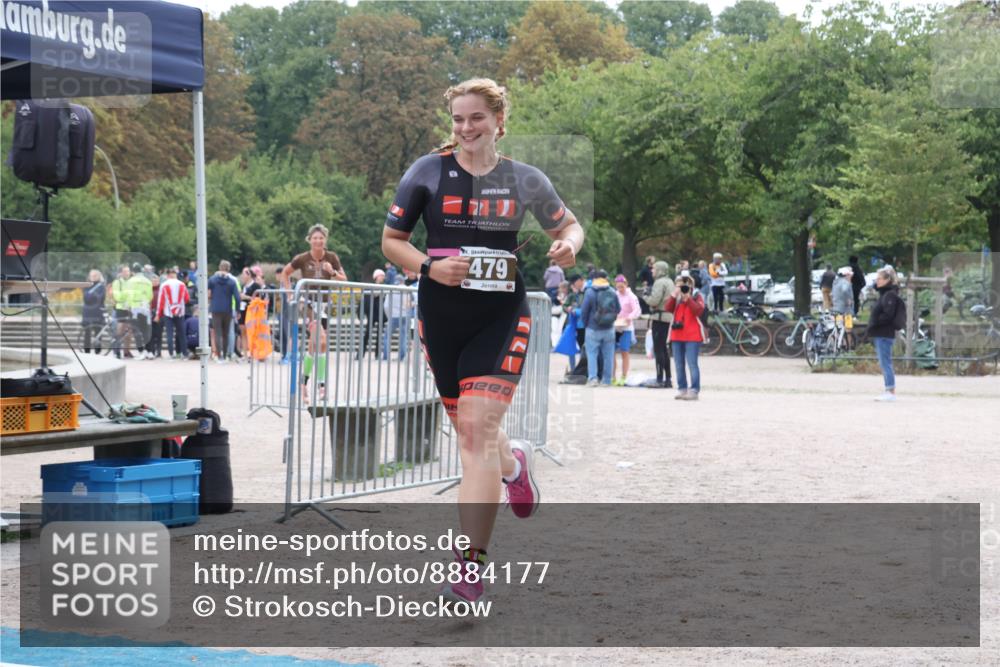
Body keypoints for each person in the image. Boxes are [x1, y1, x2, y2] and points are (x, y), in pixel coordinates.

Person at [381, 77, 584, 606]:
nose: (466, 129)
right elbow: (391, 243)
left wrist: (566, 245)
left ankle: (470, 569)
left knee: (473, 433)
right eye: (457, 120)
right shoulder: (426, 173)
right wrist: (431, 265)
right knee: (478, 435)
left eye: (476, 118)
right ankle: (514, 465)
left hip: (501, 318)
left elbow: (571, 226)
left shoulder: (525, 179)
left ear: (497, 120)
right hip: (442, 320)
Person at [280, 224, 348, 400]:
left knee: (317, 345)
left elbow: (344, 279)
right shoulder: (302, 258)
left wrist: (331, 272)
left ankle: (304, 382)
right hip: (310, 305)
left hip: (325, 306)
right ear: (309, 240)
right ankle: (321, 385)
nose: (318, 241)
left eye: (321, 238)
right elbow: (285, 274)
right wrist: (290, 295)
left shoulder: (332, 257)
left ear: (325, 240)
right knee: (321, 340)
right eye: (315, 238)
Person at [664, 271, 706, 400]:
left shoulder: (696, 296)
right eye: (679, 285)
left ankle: (694, 390)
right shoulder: (676, 299)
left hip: (692, 335)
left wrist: (688, 299)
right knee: (678, 364)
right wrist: (673, 295)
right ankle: (682, 388)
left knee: (692, 363)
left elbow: (699, 310)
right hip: (677, 335)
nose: (682, 288)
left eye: (685, 285)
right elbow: (667, 308)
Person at [866, 266, 904, 402]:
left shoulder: (890, 295)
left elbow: (888, 315)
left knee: (885, 362)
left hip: (884, 333)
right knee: (884, 362)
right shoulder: (884, 294)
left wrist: (876, 322)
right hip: (880, 333)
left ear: (887, 279)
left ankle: (890, 390)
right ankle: (889, 389)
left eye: (879, 279)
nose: (877, 281)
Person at [580, 270, 620, 387]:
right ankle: (607, 380)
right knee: (608, 355)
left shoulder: (590, 292)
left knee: (592, 354)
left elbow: (584, 311)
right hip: (609, 328)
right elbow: (618, 309)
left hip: (593, 328)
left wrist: (586, 324)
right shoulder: (612, 291)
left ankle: (593, 379)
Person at [641, 261, 675, 388]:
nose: (652, 271)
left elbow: (654, 301)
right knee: (665, 350)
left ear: (660, 270)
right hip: (668, 318)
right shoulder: (670, 281)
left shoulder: (659, 283)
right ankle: (668, 379)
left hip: (659, 318)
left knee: (658, 349)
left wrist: (645, 296)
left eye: (654, 269)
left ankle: (659, 379)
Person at [208, 260, 239, 363]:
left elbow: (208, 294)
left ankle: (218, 355)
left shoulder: (212, 280)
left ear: (219, 267)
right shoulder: (232, 281)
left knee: (217, 332)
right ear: (228, 269)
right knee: (226, 333)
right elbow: (237, 297)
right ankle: (225, 356)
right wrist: (238, 311)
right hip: (227, 309)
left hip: (216, 309)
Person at [156, 267, 190, 359]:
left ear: (167, 275)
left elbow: (161, 301)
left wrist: (158, 314)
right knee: (182, 334)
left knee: (169, 334)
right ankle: (184, 353)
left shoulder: (164, 285)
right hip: (180, 312)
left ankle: (171, 354)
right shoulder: (182, 284)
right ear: (175, 274)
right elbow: (187, 299)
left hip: (168, 312)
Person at [612, 274, 640, 386]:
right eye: (618, 287)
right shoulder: (615, 295)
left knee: (624, 352)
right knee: (611, 352)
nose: (620, 289)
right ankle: (613, 376)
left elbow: (637, 310)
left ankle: (624, 376)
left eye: (622, 287)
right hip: (615, 326)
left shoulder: (631, 296)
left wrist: (629, 317)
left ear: (626, 285)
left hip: (626, 327)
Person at [128, 263, 153, 359]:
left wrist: (129, 306)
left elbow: (130, 295)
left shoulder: (131, 281)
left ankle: (141, 351)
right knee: (146, 330)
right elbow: (150, 296)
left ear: (133, 271)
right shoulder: (147, 281)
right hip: (145, 308)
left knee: (137, 331)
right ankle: (149, 351)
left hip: (135, 308)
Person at [360, 269, 387, 358]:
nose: (383, 277)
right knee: (367, 334)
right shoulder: (371, 286)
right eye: (381, 275)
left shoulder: (384, 287)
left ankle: (377, 354)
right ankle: (361, 353)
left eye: (383, 276)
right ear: (376, 277)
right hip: (372, 313)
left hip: (380, 314)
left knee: (379, 335)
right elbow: (372, 296)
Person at [81, 269, 106, 354]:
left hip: (98, 312)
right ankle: (86, 351)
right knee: (86, 334)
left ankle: (97, 351)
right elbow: (86, 298)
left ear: (99, 276)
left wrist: (91, 295)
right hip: (87, 313)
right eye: (92, 275)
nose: (93, 277)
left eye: (95, 275)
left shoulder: (101, 286)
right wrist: (93, 296)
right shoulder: (86, 286)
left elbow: (100, 298)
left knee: (98, 333)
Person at [831, 266, 855, 349]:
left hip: (836, 309)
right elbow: (845, 290)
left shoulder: (835, 282)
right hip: (846, 310)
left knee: (839, 328)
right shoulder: (846, 283)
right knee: (848, 330)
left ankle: (840, 345)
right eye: (850, 275)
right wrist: (847, 300)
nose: (851, 276)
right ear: (846, 275)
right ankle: (849, 348)